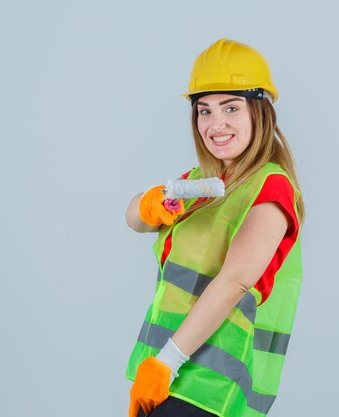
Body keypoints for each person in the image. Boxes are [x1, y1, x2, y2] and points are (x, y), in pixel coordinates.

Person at [124, 38, 305, 417]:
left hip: (208, 384)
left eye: (231, 108)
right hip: (168, 372)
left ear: (261, 113)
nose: (214, 123)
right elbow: (136, 221)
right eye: (203, 110)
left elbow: (234, 282)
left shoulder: (271, 186)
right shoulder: (203, 182)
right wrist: (147, 205)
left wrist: (167, 363)